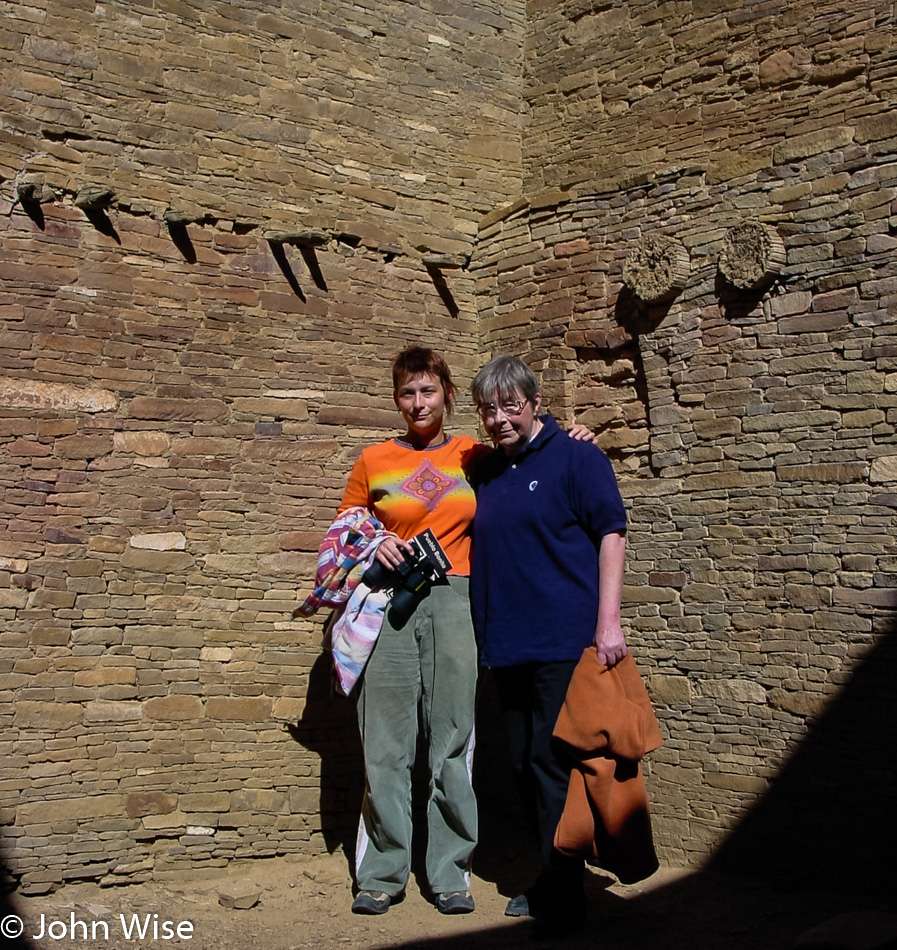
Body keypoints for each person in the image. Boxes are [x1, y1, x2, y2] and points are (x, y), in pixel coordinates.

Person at [336, 346, 597, 917]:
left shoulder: (476, 455)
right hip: (391, 600)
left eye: (429, 391)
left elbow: (533, 451)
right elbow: (343, 531)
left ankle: (449, 869)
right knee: (386, 741)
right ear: (396, 398)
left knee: (453, 739)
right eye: (408, 392)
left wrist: (574, 436)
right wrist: (370, 541)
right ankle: (382, 872)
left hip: (457, 600)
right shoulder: (373, 459)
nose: (419, 402)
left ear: (448, 396)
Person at [469, 355, 628, 939]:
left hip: (564, 642)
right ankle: (553, 872)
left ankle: (564, 892)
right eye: (489, 409)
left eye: (511, 406)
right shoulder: (485, 471)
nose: (500, 419)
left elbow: (612, 533)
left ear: (535, 403)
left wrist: (608, 623)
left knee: (552, 762)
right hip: (507, 645)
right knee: (523, 764)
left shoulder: (579, 458)